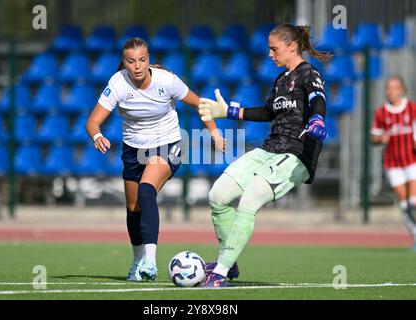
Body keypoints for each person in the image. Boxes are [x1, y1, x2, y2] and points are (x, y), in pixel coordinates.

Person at [197, 23, 331, 287]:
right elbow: (269, 112)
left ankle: (219, 273)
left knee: (249, 201)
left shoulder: (309, 73)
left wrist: (318, 118)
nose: (270, 54)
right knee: (218, 196)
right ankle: (229, 261)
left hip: (296, 154)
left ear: (291, 46)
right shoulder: (281, 79)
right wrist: (229, 112)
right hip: (270, 149)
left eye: (274, 49)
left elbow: (318, 97)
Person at [85, 37, 225, 281]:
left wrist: (213, 131)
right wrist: (97, 135)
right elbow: (92, 121)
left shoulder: (166, 80)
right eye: (131, 61)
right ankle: (137, 260)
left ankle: (150, 261)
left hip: (167, 145)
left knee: (146, 190)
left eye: (142, 59)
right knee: (133, 209)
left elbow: (199, 103)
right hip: (133, 150)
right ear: (124, 63)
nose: (137, 66)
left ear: (148, 59)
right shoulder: (117, 83)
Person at [371, 76, 416, 251]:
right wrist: (381, 138)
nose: (392, 91)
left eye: (395, 88)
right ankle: (414, 235)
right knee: (404, 204)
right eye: (389, 88)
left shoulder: (412, 109)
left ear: (402, 89)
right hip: (393, 163)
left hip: (412, 160)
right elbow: (373, 138)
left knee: (413, 200)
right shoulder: (382, 113)